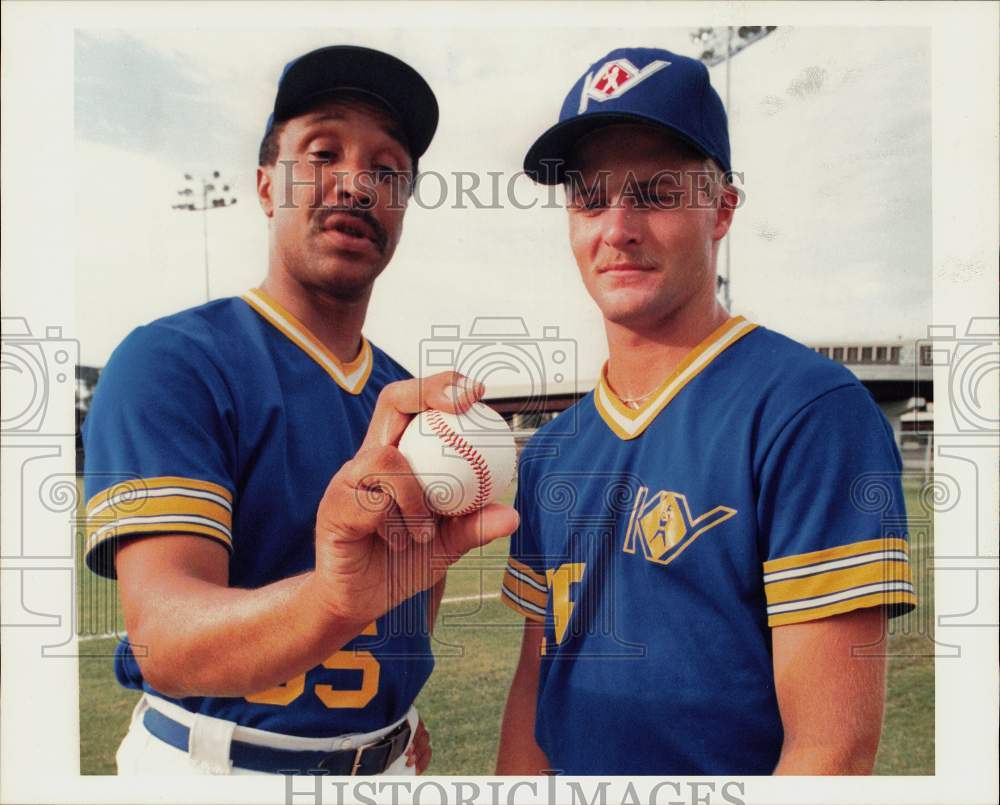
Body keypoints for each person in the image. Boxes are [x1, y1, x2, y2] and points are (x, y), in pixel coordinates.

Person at [83, 45, 518, 776]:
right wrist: (331, 599)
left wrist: (391, 718)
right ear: (264, 183)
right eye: (322, 151)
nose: (356, 183)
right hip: (216, 770)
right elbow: (165, 640)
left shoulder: (417, 405)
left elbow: (416, 589)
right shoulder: (173, 361)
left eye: (387, 170)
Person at [496, 47, 916, 776]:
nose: (617, 227)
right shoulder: (552, 450)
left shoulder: (810, 412)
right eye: (591, 198)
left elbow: (831, 749)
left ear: (721, 210)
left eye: (655, 193)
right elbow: (536, 686)